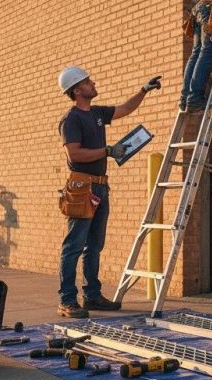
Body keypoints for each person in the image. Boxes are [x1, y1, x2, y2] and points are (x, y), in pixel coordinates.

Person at [56, 66, 162, 318]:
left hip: (100, 186)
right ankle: (67, 300)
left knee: (94, 245)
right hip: (82, 187)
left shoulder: (97, 113)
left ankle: (92, 296)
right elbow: (75, 153)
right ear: (77, 89)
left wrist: (143, 91)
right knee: (74, 245)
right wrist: (107, 151)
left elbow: (125, 109)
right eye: (87, 81)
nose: (93, 83)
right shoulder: (71, 120)